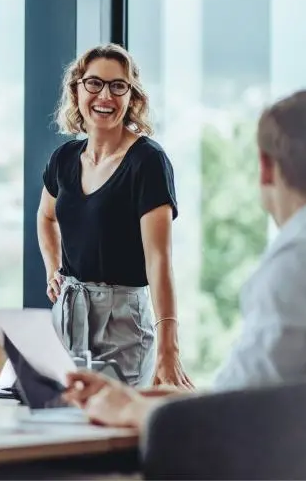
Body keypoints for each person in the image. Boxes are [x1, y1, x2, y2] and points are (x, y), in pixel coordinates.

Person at [63, 90, 306, 429]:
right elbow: (244, 392)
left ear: (266, 169)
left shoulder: (303, 259)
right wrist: (133, 397)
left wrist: (127, 410)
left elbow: (230, 415)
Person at [37, 43, 191, 388]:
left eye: (117, 86)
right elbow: (46, 217)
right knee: (62, 425)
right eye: (94, 83)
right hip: (68, 314)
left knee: (116, 433)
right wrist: (52, 270)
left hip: (123, 321)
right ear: (76, 90)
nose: (104, 95)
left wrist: (170, 348)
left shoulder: (147, 162)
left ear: (131, 97)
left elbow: (159, 259)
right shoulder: (63, 159)